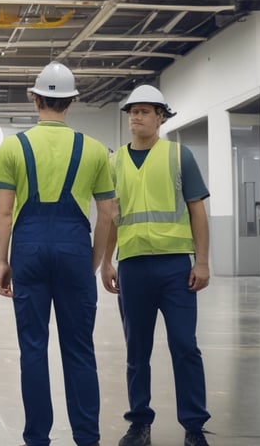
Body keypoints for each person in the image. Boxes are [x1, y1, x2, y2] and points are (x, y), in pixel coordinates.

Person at [0, 62, 115, 446]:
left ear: (34, 98)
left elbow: (4, 212)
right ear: (72, 101)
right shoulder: (94, 150)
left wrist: (2, 260)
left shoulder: (13, 146)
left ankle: (37, 439)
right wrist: (94, 262)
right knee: (79, 349)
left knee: (32, 348)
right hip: (75, 251)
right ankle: (86, 437)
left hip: (28, 250)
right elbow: (109, 214)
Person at [100, 85, 212, 446]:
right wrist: (106, 262)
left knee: (184, 346)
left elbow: (197, 209)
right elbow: (112, 216)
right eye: (132, 111)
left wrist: (203, 262)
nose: (136, 117)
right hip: (132, 268)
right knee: (137, 351)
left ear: (160, 116)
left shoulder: (180, 157)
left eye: (145, 111)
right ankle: (139, 423)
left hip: (175, 268)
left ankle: (194, 427)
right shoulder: (114, 162)